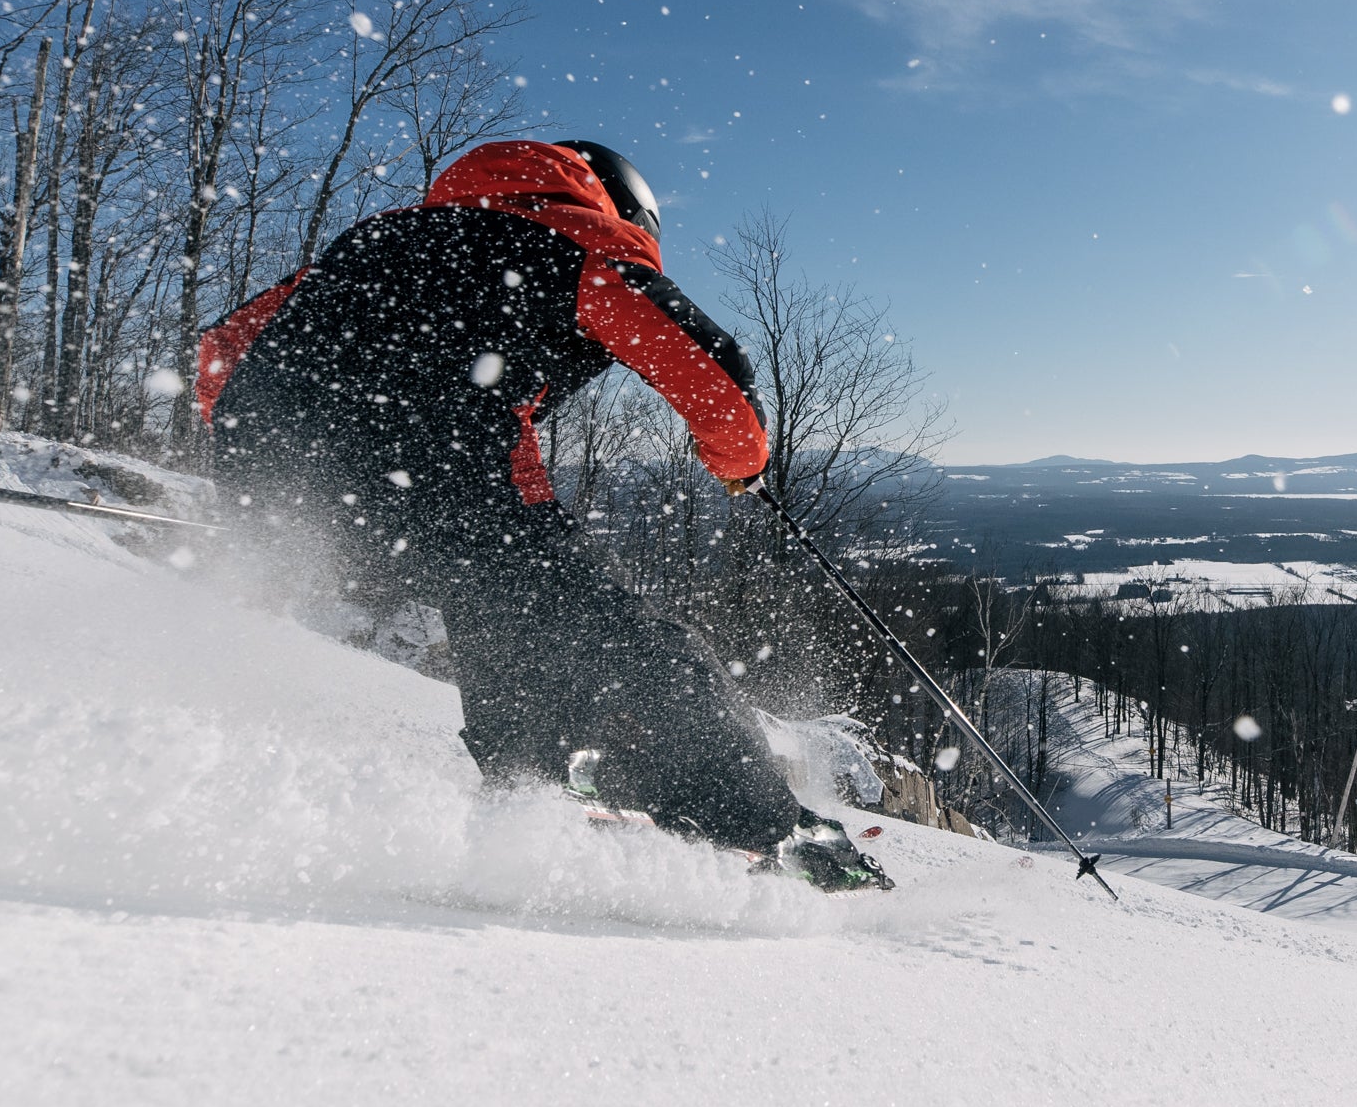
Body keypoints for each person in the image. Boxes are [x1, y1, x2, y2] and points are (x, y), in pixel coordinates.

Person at [196, 138, 887, 890]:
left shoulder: (376, 239)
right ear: (621, 205)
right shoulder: (575, 241)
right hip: (444, 469)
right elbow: (706, 368)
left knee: (502, 605)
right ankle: (777, 836)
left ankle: (529, 790)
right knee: (641, 647)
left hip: (281, 484)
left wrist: (293, 465)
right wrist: (740, 460)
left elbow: (220, 350)